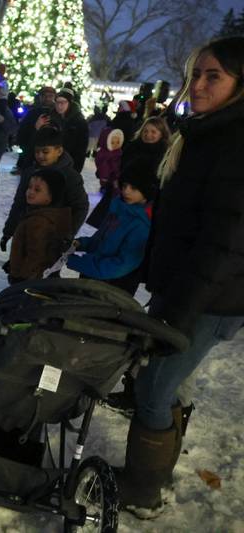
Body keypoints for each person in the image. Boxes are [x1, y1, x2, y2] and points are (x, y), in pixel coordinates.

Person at [114, 36, 244, 518]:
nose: (198, 85)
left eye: (214, 76)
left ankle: (142, 490)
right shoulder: (206, 129)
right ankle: (157, 467)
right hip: (188, 289)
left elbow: (225, 242)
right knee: (167, 384)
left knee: (153, 389)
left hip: (209, 297)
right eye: (195, 74)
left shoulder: (234, 140)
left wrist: (179, 312)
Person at [67, 159, 155, 295]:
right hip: (93, 279)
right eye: (124, 186)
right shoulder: (118, 209)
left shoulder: (141, 225)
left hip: (112, 289)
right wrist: (80, 243)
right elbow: (100, 239)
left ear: (146, 190)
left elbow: (121, 265)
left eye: (134, 188)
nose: (126, 191)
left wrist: (77, 262)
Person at [1, 127, 89, 251]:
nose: (40, 156)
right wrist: (8, 232)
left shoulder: (70, 177)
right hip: (26, 233)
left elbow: (81, 207)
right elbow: (19, 203)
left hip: (52, 240)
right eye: (37, 152)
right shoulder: (30, 172)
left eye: (45, 152)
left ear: (59, 151)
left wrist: (67, 235)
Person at [7, 168, 71, 283]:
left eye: (37, 190)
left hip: (28, 279)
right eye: (29, 187)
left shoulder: (39, 221)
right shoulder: (53, 214)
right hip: (40, 276)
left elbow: (36, 256)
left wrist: (18, 275)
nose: (30, 192)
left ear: (51, 197)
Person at [39, 88, 89, 172]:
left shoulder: (79, 121)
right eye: (57, 102)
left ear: (69, 103)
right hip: (51, 162)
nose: (59, 106)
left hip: (70, 164)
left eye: (63, 102)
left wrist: (76, 170)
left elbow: (81, 149)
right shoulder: (50, 118)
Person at [14, 85, 57, 173]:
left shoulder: (57, 113)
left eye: (50, 96)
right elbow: (23, 131)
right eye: (45, 96)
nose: (47, 99)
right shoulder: (32, 112)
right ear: (40, 97)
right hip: (31, 154)